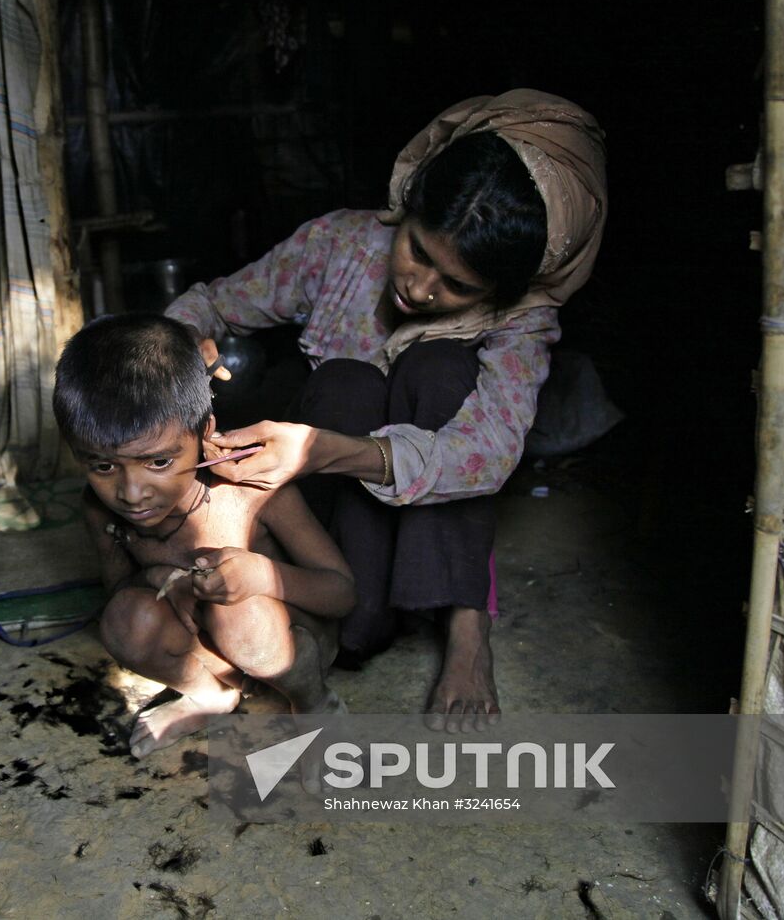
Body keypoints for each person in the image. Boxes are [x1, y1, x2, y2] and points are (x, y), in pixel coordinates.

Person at [165, 89, 608, 733]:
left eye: (458, 286)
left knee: (439, 367)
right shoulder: (339, 243)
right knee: (346, 384)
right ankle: (361, 601)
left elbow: (487, 453)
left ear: (502, 288)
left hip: (435, 517)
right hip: (347, 523)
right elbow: (215, 302)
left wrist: (322, 449)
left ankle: (465, 626)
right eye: (419, 250)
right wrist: (185, 346)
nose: (420, 287)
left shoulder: (523, 318)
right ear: (408, 210)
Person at [54, 313, 355, 759]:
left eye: (157, 462)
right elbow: (118, 590)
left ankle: (314, 704)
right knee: (122, 620)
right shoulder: (98, 508)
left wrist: (261, 577)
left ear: (204, 434)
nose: (132, 494)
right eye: (102, 466)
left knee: (240, 611)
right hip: (209, 649)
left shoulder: (254, 490)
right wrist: (156, 577)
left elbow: (342, 593)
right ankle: (209, 694)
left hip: (289, 645)